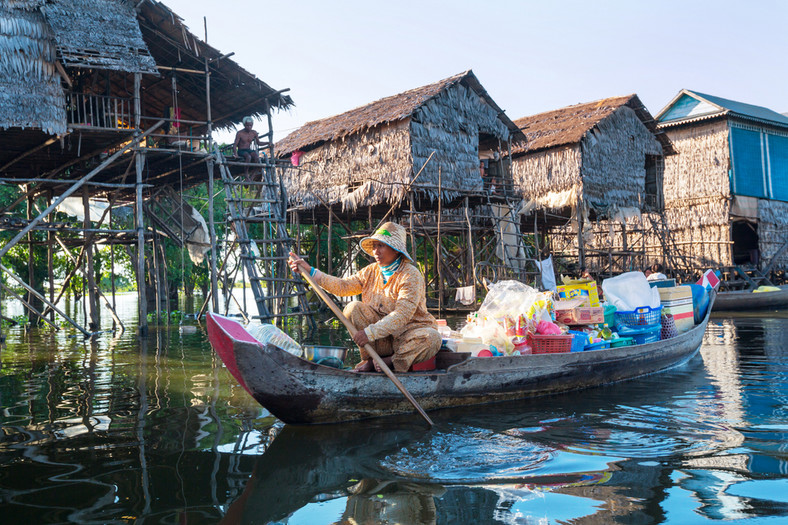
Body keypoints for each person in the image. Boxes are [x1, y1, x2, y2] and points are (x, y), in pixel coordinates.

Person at [288, 222, 442, 373]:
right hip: (381, 340)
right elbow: (343, 287)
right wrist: (311, 271)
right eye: (374, 246)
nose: (376, 251)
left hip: (408, 336)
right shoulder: (370, 271)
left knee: (432, 338)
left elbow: (402, 315)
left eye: (381, 246)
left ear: (396, 250)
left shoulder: (410, 275)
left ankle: (391, 361)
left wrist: (369, 333)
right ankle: (369, 360)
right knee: (353, 308)